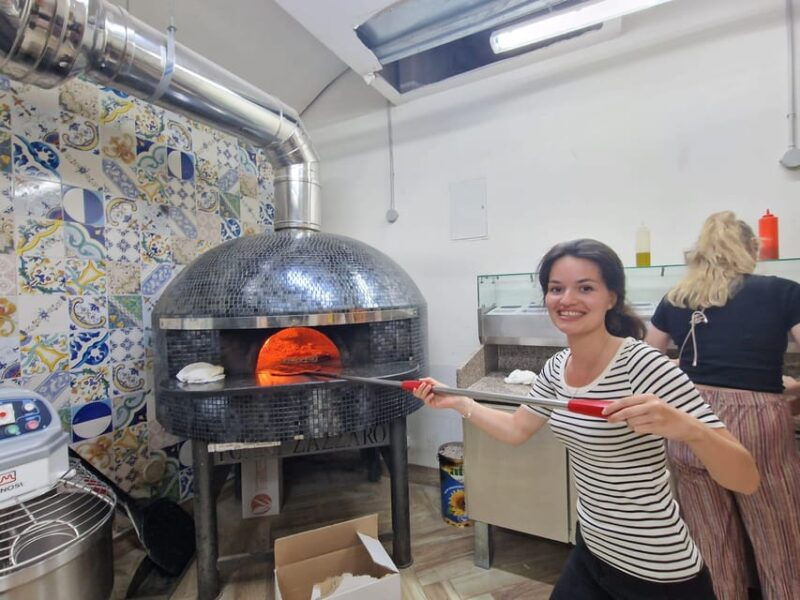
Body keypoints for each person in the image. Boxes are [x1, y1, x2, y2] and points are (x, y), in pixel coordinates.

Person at [414, 238, 759, 600]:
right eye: (556, 289)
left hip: (656, 570)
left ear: (611, 297)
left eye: (585, 288)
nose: (567, 300)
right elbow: (517, 429)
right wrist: (458, 401)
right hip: (591, 550)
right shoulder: (556, 368)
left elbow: (745, 477)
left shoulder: (642, 365)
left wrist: (687, 428)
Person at [645, 211, 800, 600]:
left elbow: (647, 361)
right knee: (779, 538)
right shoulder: (782, 291)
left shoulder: (677, 297)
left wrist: (693, 373)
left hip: (689, 419)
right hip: (757, 423)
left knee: (710, 543)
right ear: (752, 248)